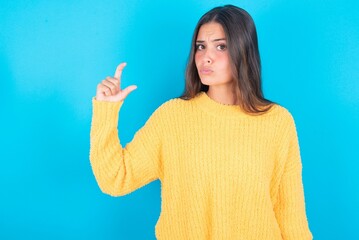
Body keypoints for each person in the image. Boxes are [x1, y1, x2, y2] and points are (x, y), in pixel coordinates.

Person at [90, 4, 313, 240]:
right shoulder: (172, 117)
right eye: (200, 47)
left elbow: (292, 219)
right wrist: (106, 109)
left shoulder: (278, 122)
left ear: (243, 51)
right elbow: (115, 178)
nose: (206, 57)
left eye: (221, 46)